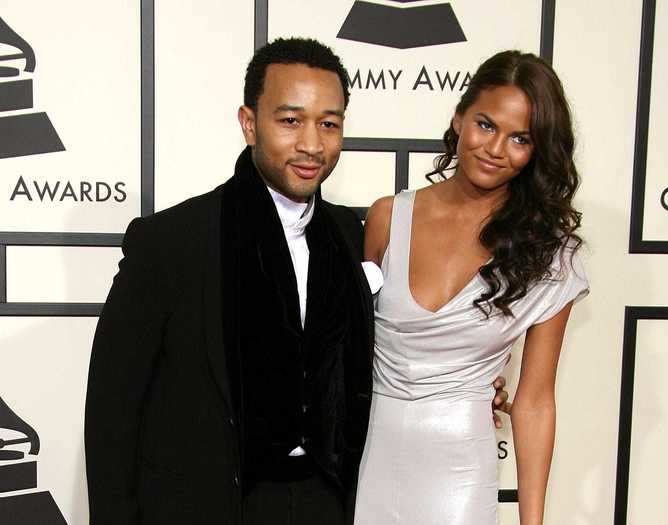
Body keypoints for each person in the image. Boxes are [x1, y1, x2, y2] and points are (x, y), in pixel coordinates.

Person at [84, 38, 510, 525]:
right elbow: (112, 413)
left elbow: (378, 352)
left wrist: (461, 382)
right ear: (249, 123)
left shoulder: (351, 235)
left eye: (329, 123)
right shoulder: (170, 242)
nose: (312, 144)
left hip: (324, 505)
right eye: (290, 121)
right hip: (207, 504)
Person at [354, 50, 589, 525]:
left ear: (537, 151)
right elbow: (350, 349)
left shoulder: (549, 254)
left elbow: (536, 399)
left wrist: (532, 521)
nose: (496, 148)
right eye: (486, 125)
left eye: (520, 138)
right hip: (370, 458)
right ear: (459, 117)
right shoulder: (387, 218)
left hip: (460, 469)